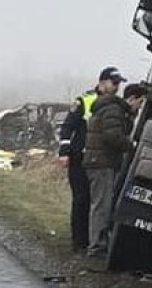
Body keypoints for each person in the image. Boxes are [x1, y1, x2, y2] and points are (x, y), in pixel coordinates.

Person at [59, 68, 122, 253]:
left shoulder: (114, 105)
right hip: (79, 157)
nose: (117, 87)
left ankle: (92, 240)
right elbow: (67, 127)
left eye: (118, 83)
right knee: (81, 199)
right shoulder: (85, 100)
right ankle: (79, 241)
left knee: (97, 201)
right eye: (114, 83)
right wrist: (64, 152)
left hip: (98, 160)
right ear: (102, 83)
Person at [84, 76, 146, 257]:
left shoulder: (113, 109)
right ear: (132, 99)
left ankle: (98, 243)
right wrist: (132, 145)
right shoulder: (114, 111)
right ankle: (97, 246)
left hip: (98, 161)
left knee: (100, 204)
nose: (140, 107)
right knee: (101, 205)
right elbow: (112, 136)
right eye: (140, 103)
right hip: (102, 162)